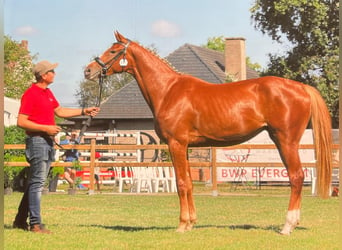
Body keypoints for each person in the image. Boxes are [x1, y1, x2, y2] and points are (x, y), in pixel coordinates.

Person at [13, 60, 100, 234]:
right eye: (52, 71)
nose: (55, 73)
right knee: (37, 183)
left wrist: (84, 111)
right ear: (44, 75)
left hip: (47, 141)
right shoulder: (31, 94)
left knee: (34, 183)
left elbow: (60, 111)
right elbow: (21, 121)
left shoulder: (47, 93)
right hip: (37, 141)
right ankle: (35, 224)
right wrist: (46, 128)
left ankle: (20, 220)